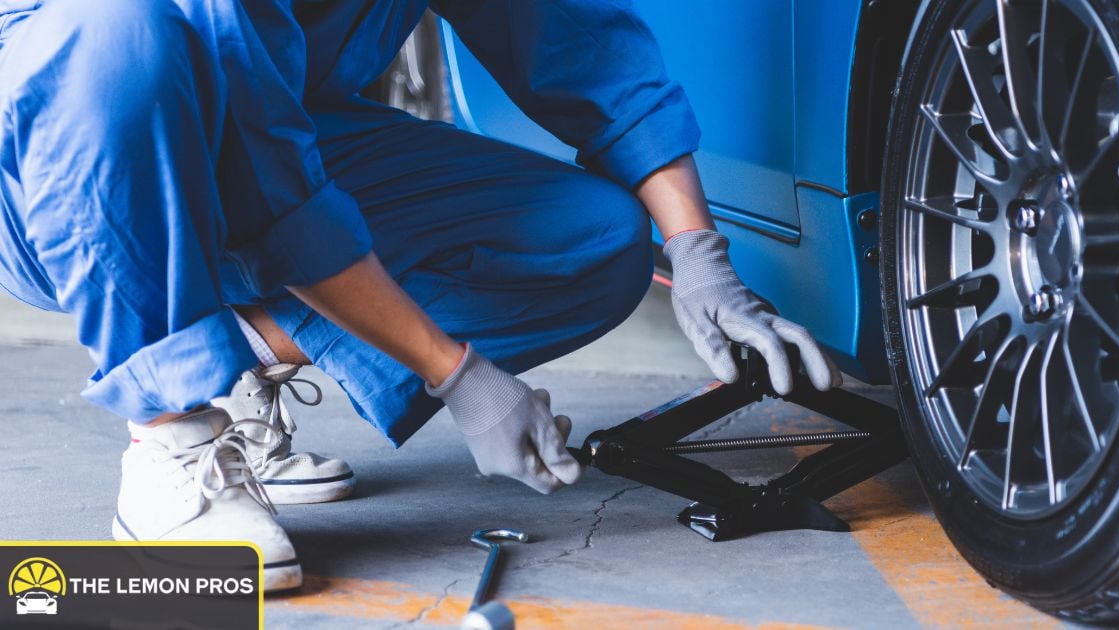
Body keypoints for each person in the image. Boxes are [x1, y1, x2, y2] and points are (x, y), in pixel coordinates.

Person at [0, 0, 842, 591]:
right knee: (119, 32)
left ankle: (228, 357)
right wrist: (457, 371)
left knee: (590, 237)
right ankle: (166, 435)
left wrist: (698, 254)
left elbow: (589, 55)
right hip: (61, 170)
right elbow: (276, 200)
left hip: (276, 139)